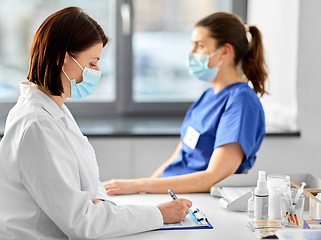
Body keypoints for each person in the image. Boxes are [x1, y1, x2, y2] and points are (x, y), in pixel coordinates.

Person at [0, 7, 191, 240]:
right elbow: (82, 223)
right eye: (92, 63)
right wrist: (158, 214)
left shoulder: (52, 111)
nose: (97, 72)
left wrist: (98, 202)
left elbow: (86, 188)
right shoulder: (37, 124)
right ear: (60, 60)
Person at [103, 12, 267, 195]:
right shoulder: (207, 96)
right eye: (193, 45)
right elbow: (178, 157)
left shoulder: (241, 102)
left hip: (194, 199)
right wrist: (144, 190)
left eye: (200, 46)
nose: (192, 53)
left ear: (225, 51)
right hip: (170, 192)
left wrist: (138, 185)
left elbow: (215, 177)